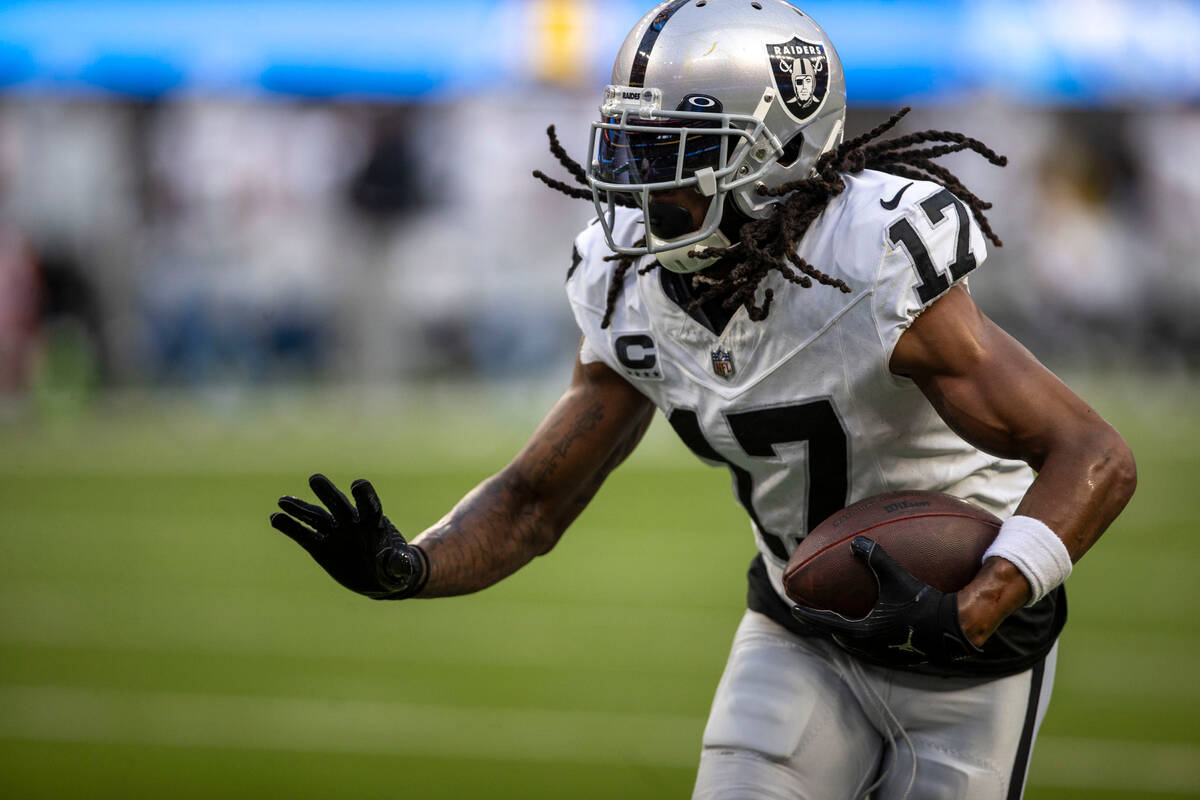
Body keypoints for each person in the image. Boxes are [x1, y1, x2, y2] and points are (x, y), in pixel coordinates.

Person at [269, 2, 1136, 797]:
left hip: (967, 647)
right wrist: (411, 566)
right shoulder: (625, 279)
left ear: (773, 153)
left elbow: (1093, 454)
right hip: (801, 623)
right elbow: (536, 501)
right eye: (631, 149)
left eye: (673, 156)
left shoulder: (870, 261)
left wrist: (973, 604)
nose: (641, 190)